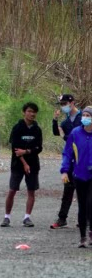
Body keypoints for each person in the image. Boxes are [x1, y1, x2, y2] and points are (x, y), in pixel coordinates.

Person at [1, 102, 42, 228]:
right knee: (12, 190)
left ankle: (27, 217)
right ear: (24, 112)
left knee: (31, 191)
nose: (32, 114)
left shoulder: (37, 129)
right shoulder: (17, 128)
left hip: (33, 164)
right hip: (17, 164)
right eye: (29, 111)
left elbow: (39, 148)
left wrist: (27, 151)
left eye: (34, 112)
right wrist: (24, 162)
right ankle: (7, 217)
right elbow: (15, 148)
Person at [60, 106, 92, 247]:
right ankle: (83, 237)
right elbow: (67, 153)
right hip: (79, 174)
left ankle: (91, 231)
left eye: (88, 115)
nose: (85, 117)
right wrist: (65, 170)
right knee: (82, 206)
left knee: (90, 204)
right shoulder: (75, 133)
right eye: (84, 115)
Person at [50, 94, 83, 229]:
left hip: (84, 159)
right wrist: (55, 120)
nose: (64, 106)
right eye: (61, 104)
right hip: (70, 160)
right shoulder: (66, 122)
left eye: (65, 103)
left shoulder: (84, 118)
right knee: (68, 190)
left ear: (72, 102)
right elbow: (58, 133)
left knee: (84, 192)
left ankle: (84, 219)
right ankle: (62, 218)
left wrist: (66, 137)